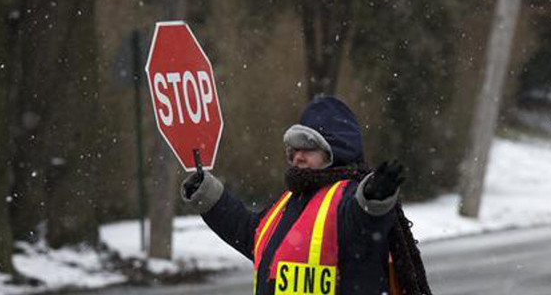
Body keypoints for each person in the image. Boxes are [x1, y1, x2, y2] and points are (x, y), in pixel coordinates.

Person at [181, 96, 431, 295]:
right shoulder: (291, 201)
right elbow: (250, 234)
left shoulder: (347, 197)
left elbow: (362, 220)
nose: (298, 156)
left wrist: (375, 198)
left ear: (336, 151)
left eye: (309, 148)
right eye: (294, 149)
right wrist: (208, 194)